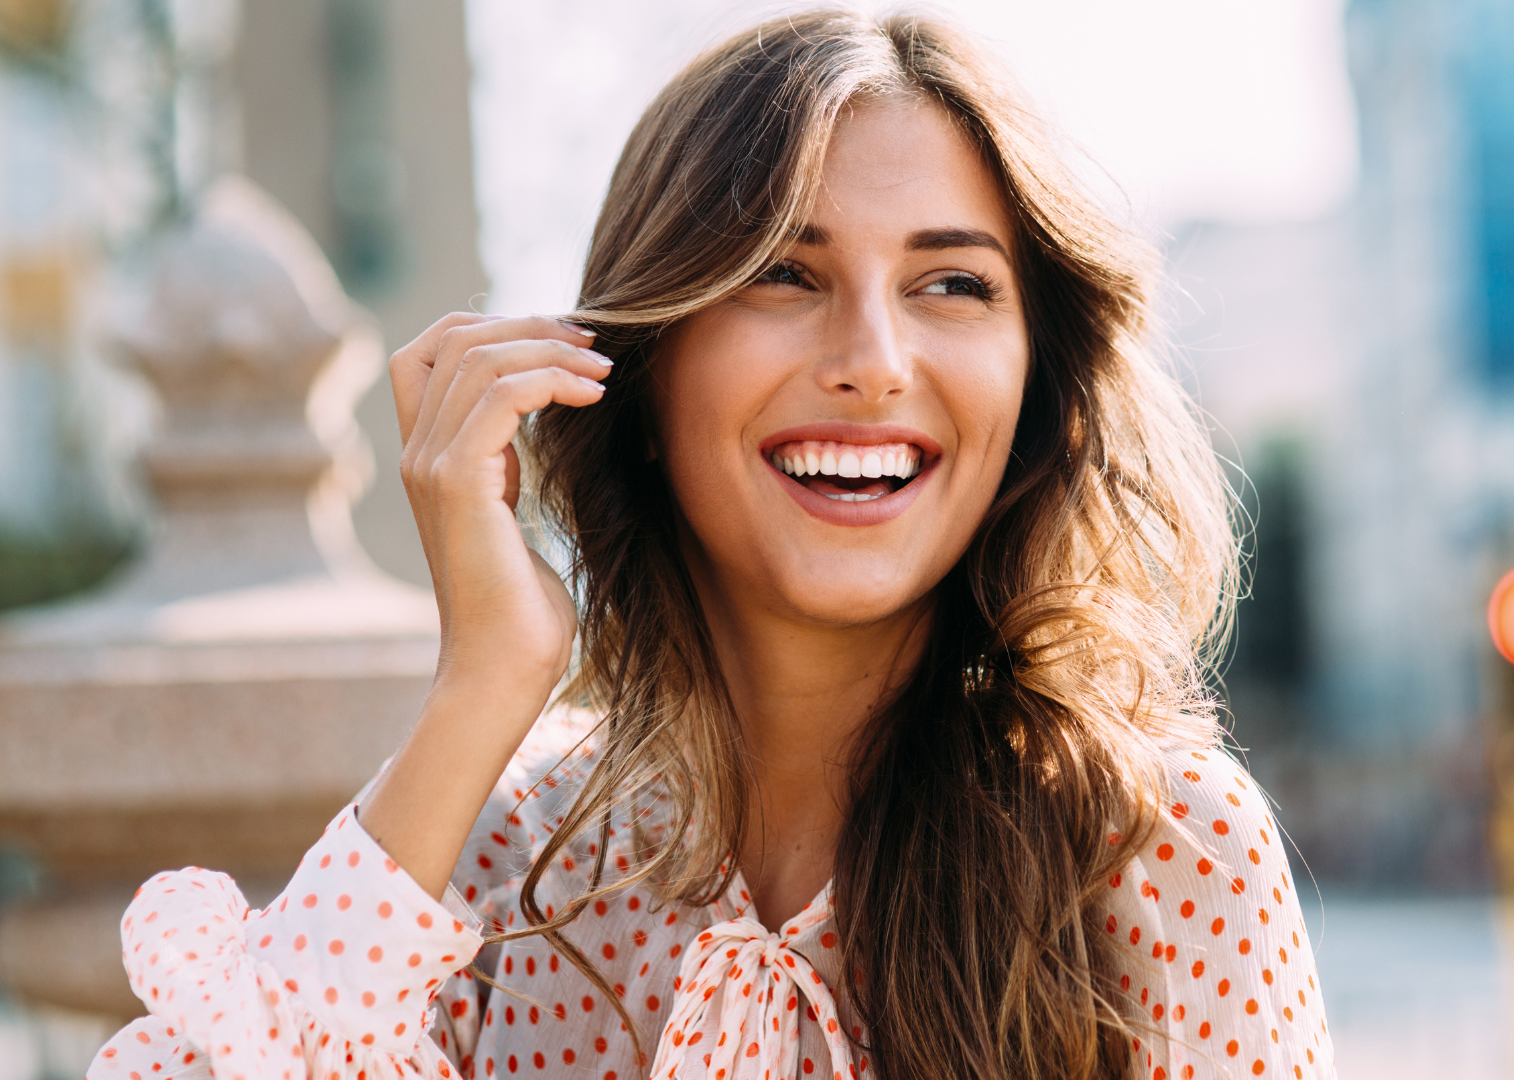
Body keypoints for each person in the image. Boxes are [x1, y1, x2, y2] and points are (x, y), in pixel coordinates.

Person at [89, 10, 1334, 1080]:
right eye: (783, 275)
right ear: (638, 367)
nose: (873, 364)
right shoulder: (507, 866)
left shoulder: (1153, 847)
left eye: (950, 286)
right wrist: (482, 684)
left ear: (1036, 387)